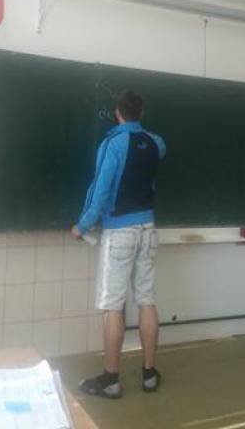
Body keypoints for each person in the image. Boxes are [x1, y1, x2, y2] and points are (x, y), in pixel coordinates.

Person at [71, 88, 166, 399]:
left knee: (113, 306)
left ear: (117, 113)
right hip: (148, 227)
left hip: (120, 231)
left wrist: (82, 226)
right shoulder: (156, 143)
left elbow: (100, 191)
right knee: (146, 300)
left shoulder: (113, 144)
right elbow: (155, 153)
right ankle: (149, 374)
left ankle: (111, 380)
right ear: (142, 112)